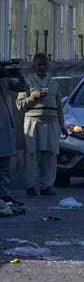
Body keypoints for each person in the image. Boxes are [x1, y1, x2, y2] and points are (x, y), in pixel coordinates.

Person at [16, 54, 65, 197]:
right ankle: (31, 186)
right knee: (31, 155)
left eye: (44, 64)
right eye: (39, 65)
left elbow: (59, 107)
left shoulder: (54, 84)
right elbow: (19, 105)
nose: (42, 67)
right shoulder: (27, 83)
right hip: (32, 122)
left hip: (51, 122)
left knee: (50, 155)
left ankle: (47, 185)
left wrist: (62, 125)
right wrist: (33, 97)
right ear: (34, 67)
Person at [0, 69, 24, 216]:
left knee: (4, 165)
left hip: (5, 126)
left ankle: (4, 196)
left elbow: (22, 87)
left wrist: (18, 75)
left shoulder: (4, 79)